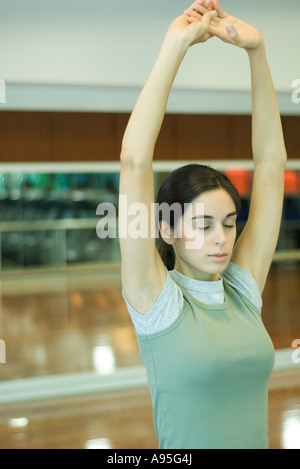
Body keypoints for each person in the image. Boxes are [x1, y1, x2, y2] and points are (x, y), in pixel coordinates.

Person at [118, 0, 287, 449]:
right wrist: (175, 47)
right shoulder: (158, 303)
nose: (222, 238)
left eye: (229, 223)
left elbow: (271, 165)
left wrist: (257, 52)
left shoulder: (241, 290)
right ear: (168, 228)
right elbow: (135, 161)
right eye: (204, 223)